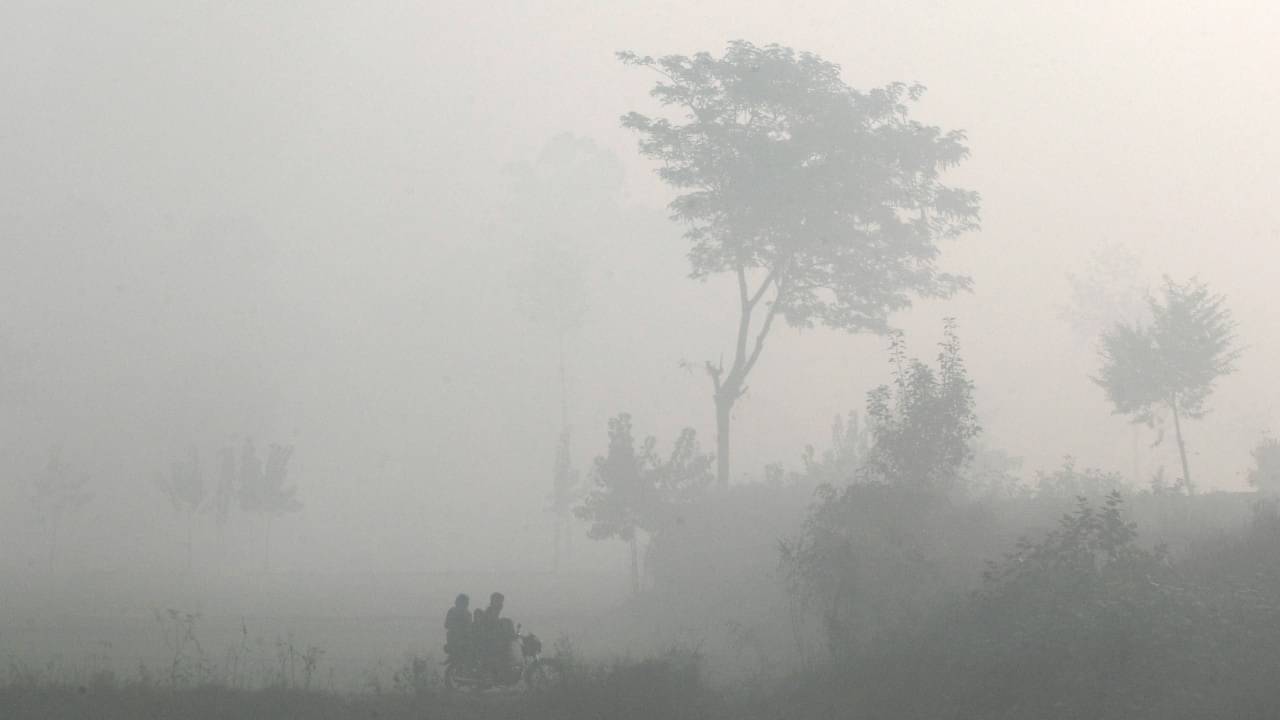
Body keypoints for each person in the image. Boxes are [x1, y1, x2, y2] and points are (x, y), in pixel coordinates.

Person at [443, 594, 472, 666]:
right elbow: (446, 625)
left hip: (461, 641)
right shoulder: (466, 613)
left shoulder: (466, 613)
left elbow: (446, 625)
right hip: (456, 640)